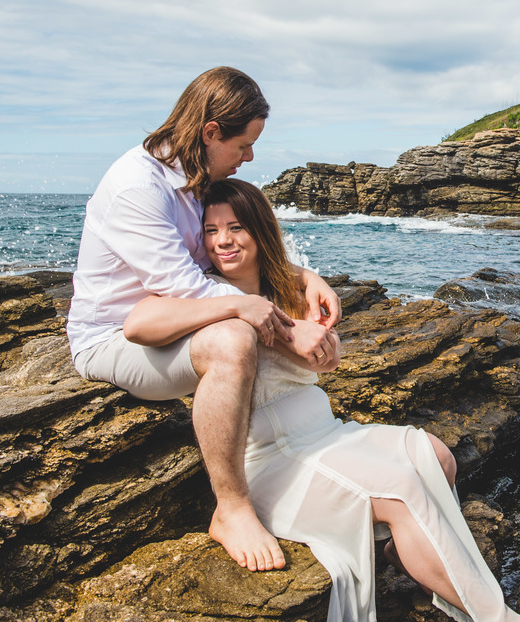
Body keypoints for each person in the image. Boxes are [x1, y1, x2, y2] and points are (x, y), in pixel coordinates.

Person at [122, 178, 520, 622]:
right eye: (211, 231)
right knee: (402, 491)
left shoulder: (292, 288)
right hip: (273, 457)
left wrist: (325, 352)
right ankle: (499, 619)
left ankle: (404, 551)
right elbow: (139, 322)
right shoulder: (200, 289)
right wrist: (238, 310)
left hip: (326, 433)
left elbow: (318, 364)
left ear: (260, 230)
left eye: (236, 227)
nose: (223, 241)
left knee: (436, 456)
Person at [66, 66, 342, 573]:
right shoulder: (137, 188)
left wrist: (301, 275)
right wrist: (290, 333)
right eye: (245, 144)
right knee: (232, 340)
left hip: (169, 321)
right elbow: (189, 287)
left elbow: (218, 258)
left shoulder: (194, 181)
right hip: (115, 337)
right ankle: (232, 508)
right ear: (211, 133)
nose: (250, 157)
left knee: (237, 327)